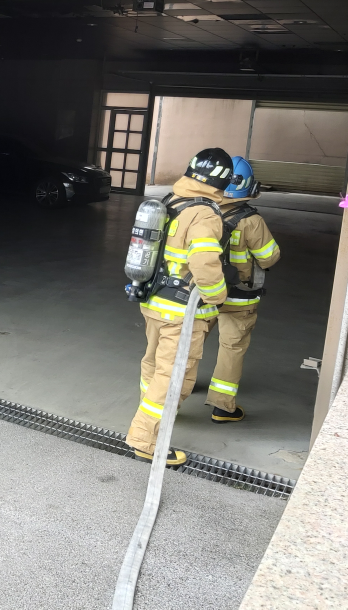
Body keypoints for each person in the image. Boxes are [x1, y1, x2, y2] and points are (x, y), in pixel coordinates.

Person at [128, 148, 234, 467]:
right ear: (223, 181)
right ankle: (147, 441)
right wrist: (217, 297)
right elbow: (204, 262)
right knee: (173, 376)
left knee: (153, 364)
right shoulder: (204, 214)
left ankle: (155, 411)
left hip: (153, 302)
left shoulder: (169, 201)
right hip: (182, 314)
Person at [205, 156, 281, 423]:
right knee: (232, 346)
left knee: (189, 343)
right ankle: (222, 406)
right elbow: (269, 257)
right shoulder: (251, 221)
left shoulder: (200, 212)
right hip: (239, 296)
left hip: (202, 293)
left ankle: (180, 388)